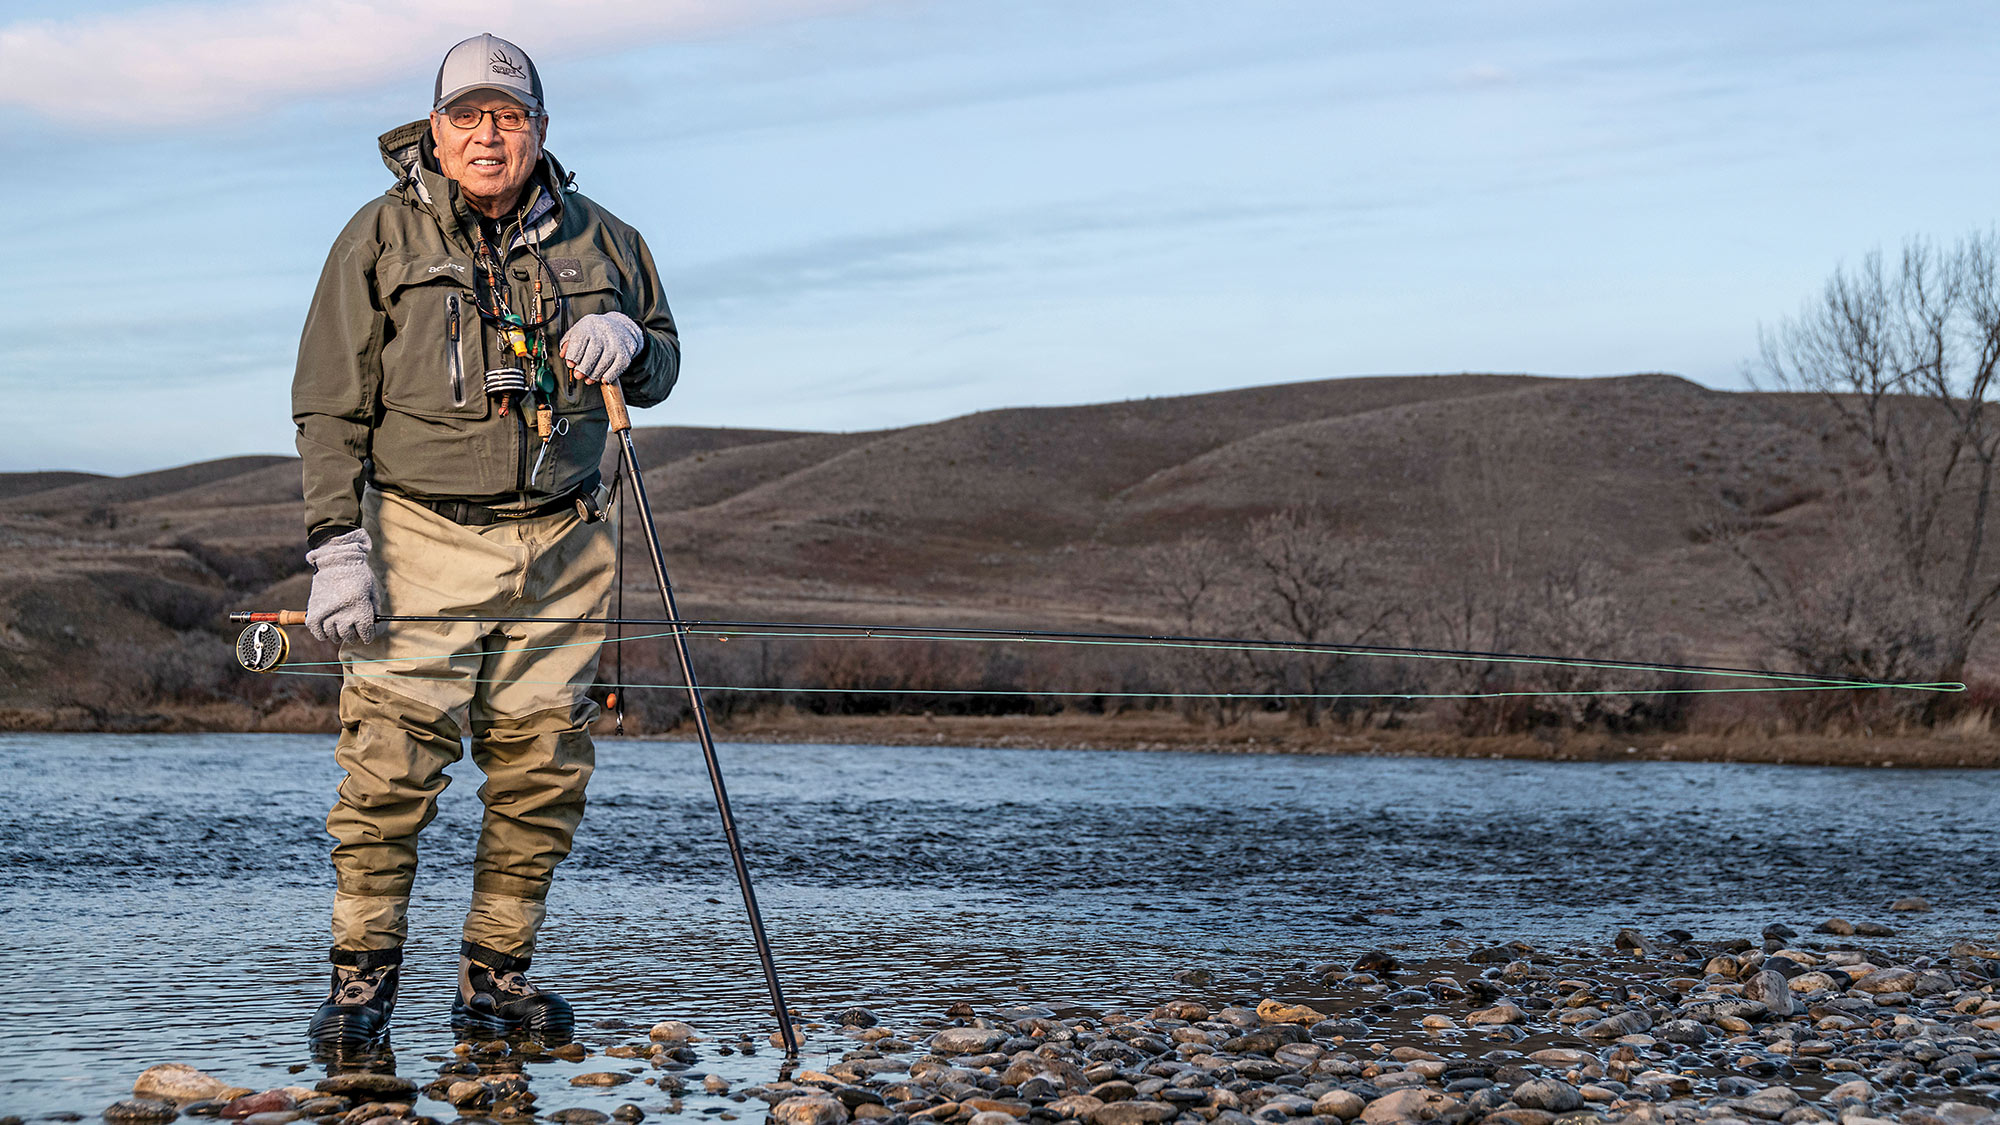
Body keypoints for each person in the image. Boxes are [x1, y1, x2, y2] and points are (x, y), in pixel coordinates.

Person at [291, 32, 679, 1049]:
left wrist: (632, 344)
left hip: (566, 540)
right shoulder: (376, 237)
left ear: (541, 129)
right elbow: (329, 406)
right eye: (469, 116)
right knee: (387, 767)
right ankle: (361, 988)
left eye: (509, 116)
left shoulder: (611, 241)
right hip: (417, 533)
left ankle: (492, 983)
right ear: (435, 129)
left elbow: (665, 357)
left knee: (542, 766)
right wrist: (337, 545)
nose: (489, 135)